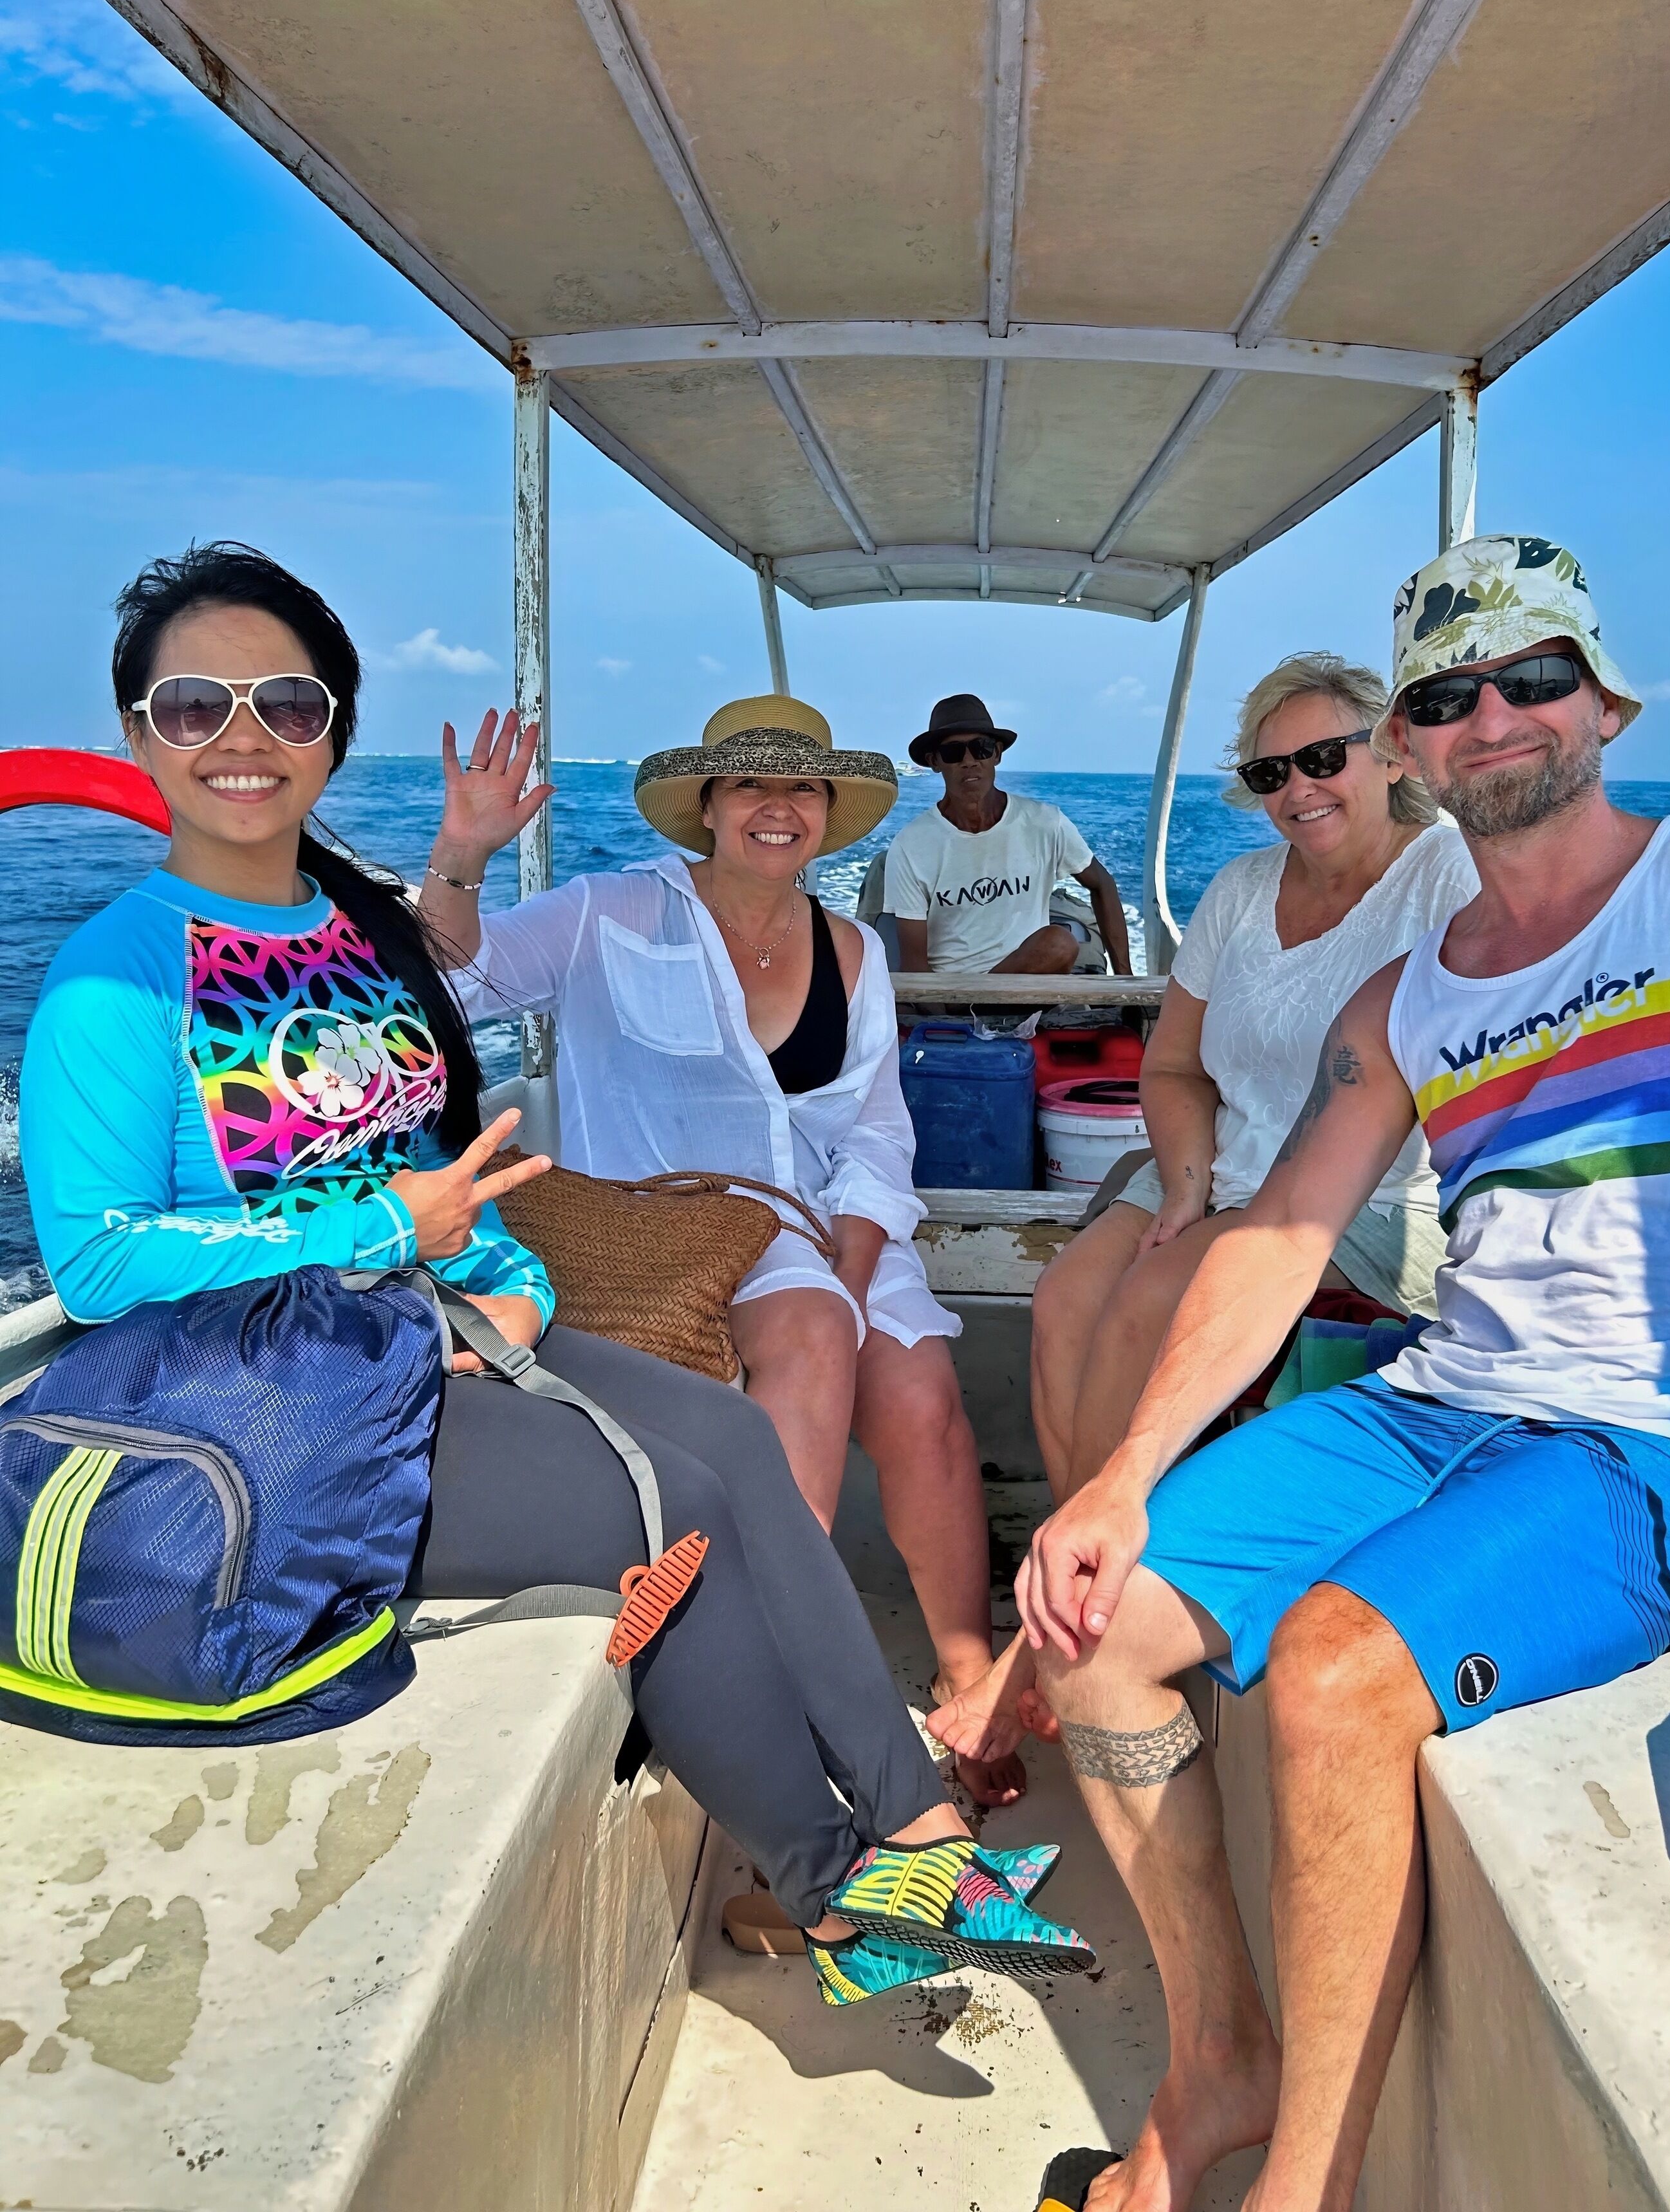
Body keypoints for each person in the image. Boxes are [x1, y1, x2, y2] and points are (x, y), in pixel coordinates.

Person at [19, 543, 1091, 2007]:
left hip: (421, 1334)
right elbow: (92, 1262)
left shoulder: (344, 944)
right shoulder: (114, 971)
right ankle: (854, 1881)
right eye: (195, 703)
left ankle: (909, 1831)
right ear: (143, 732)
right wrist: (383, 1233)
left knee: (729, 1446)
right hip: (259, 1399)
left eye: (288, 698)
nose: (246, 733)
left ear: (333, 728)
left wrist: (505, 1273)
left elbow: (438, 1148)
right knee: (683, 1501)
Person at [1016, 534, 1670, 2211]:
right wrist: (1118, 1480)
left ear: (1605, 699)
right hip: (1446, 1402)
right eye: (1447, 694)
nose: (1494, 717)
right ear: (1407, 741)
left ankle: (1295, 2193)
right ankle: (1221, 2058)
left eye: (1534, 676)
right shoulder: (1415, 996)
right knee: (1086, 1623)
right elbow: (1275, 1237)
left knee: (1330, 1675)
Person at [419, 692, 1028, 1807]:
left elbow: (876, 1131)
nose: (778, 807)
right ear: (705, 806)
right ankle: (766, 1664)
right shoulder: (608, 911)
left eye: (802, 787)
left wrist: (849, 1267)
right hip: (661, 1232)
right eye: (750, 784)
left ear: (830, 813)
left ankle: (967, 1673)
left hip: (828, 1224)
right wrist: (463, 854)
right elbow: (458, 982)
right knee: (806, 1348)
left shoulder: (851, 949)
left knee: (922, 1396)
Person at [929, 652, 1478, 1774]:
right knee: (1067, 1299)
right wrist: (1181, 1182)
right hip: (1214, 1167)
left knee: (1140, 1308)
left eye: (1325, 758)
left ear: (1388, 756)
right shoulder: (1239, 893)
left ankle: (1055, 1640)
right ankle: (1077, 1597)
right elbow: (1174, 1068)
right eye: (1274, 770)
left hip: (1370, 1194)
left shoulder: (1447, 879)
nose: (1299, 789)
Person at [886, 693, 1132, 976]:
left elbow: (1102, 883)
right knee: (1058, 944)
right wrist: (945, 1015)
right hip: (952, 997)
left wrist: (1125, 981)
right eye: (954, 753)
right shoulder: (911, 846)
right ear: (934, 762)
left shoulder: (1045, 823)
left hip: (1027, 987)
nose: (969, 761)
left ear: (997, 754)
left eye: (981, 748)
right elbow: (915, 965)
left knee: (1058, 944)